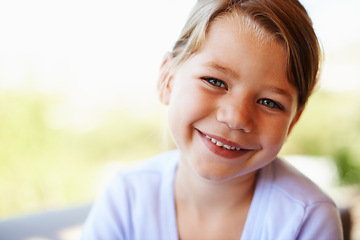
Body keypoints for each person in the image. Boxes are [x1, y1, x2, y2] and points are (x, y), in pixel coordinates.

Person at [82, 0, 343, 239]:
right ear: (167, 80)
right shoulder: (126, 199)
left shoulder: (307, 220)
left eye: (269, 102)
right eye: (215, 81)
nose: (236, 118)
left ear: (293, 122)